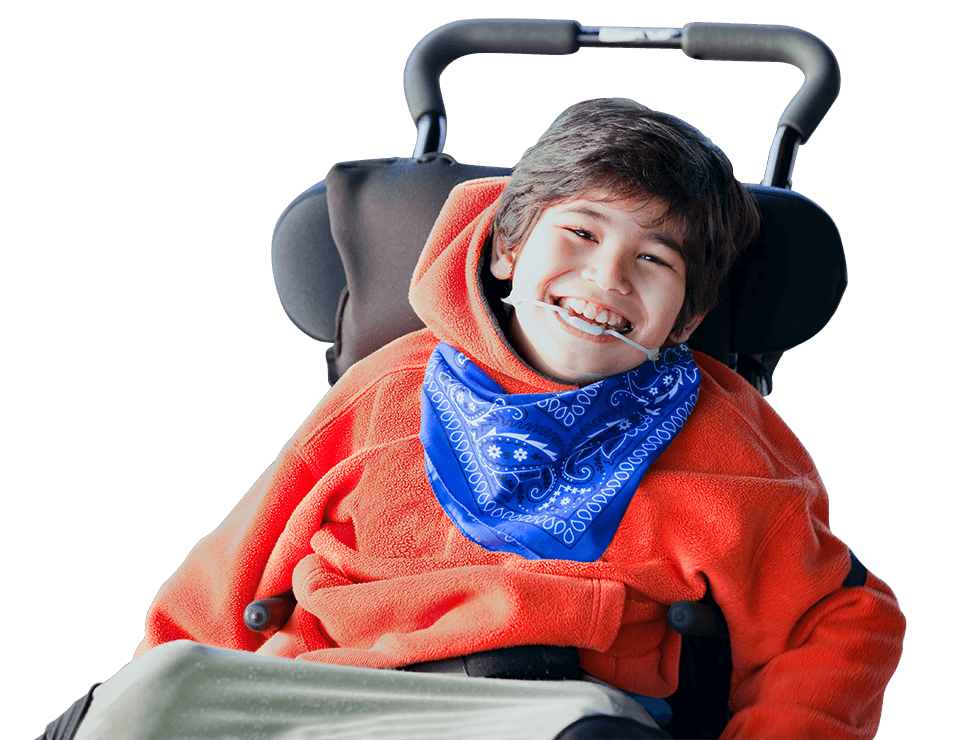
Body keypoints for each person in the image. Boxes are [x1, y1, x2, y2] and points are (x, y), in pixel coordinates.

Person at [44, 98, 904, 739]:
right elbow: (224, 576)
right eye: (580, 234)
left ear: (684, 318)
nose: (608, 278)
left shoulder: (723, 438)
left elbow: (841, 620)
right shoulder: (387, 385)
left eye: (653, 258)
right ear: (506, 249)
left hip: (537, 708)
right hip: (328, 692)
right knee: (147, 695)